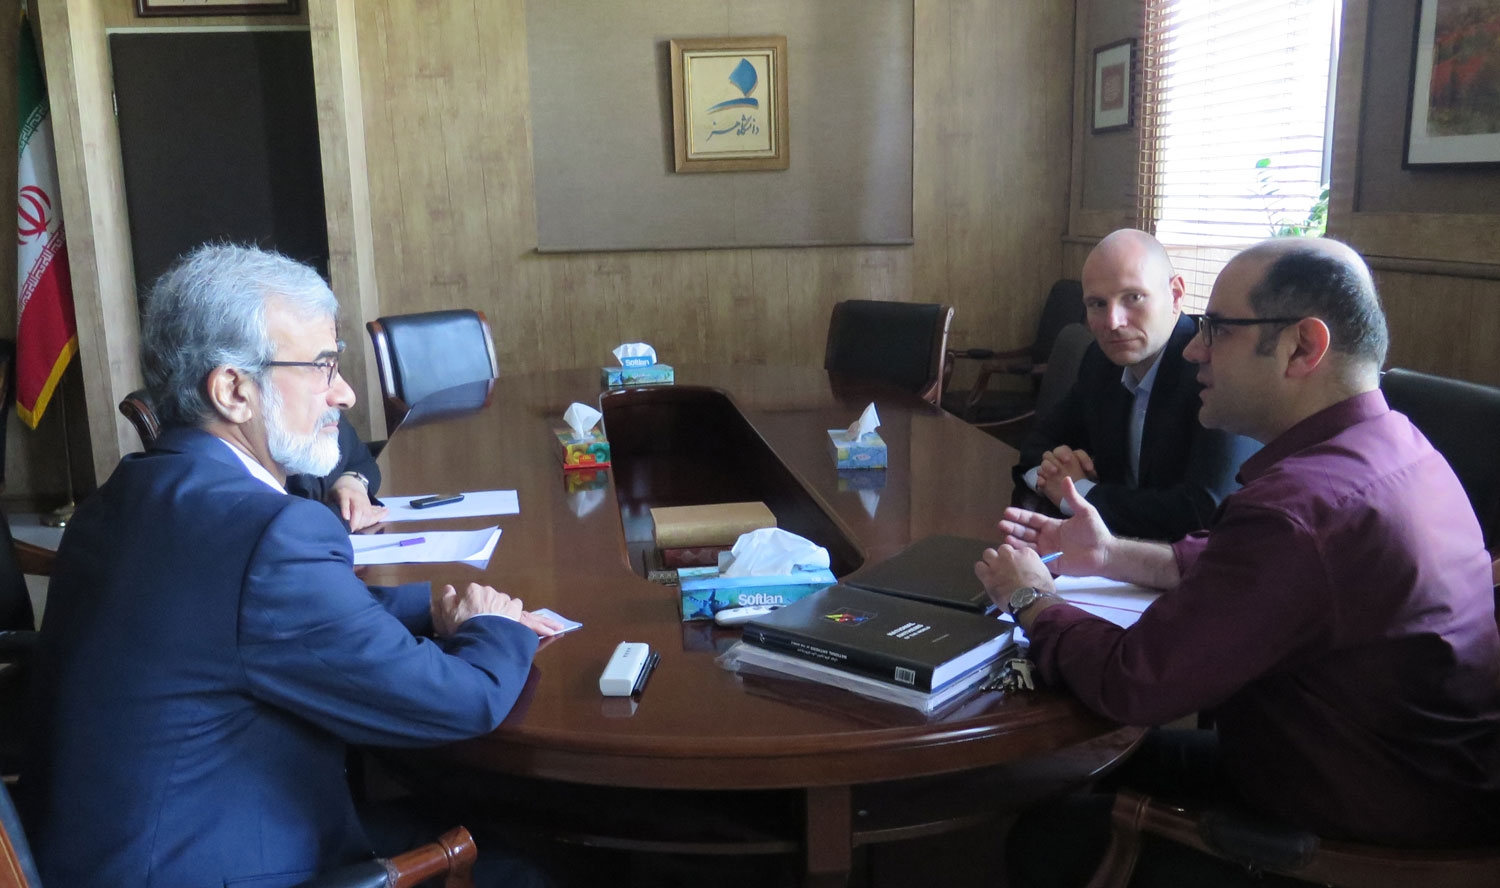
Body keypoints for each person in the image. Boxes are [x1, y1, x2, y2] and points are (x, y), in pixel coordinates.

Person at [22, 244, 560, 888]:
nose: (346, 393)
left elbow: (262, 616)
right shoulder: (271, 534)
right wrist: (497, 630)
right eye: (323, 367)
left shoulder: (125, 494)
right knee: (533, 863)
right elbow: (461, 703)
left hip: (109, 853)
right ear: (234, 390)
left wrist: (440, 607)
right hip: (208, 866)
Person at [980, 238, 1500, 886]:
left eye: (1218, 329)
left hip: (1367, 840)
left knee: (1041, 841)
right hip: (1412, 782)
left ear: (1303, 347)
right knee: (1076, 769)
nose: (1193, 349)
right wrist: (1111, 555)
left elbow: (1132, 682)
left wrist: (1031, 597)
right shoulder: (1399, 444)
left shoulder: (1300, 510)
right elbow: (1246, 566)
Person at [1015, 229, 1258, 540]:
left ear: (1175, 295)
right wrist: (1054, 474)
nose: (1113, 322)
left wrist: (1079, 493)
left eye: (1133, 297)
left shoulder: (1214, 370)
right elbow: (1036, 446)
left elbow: (1204, 511)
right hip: (1110, 551)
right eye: (1097, 304)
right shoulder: (1100, 360)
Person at [286, 414, 388, 531]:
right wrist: (344, 515)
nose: (349, 403)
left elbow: (364, 461)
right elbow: (286, 526)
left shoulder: (329, 419)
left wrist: (353, 481)